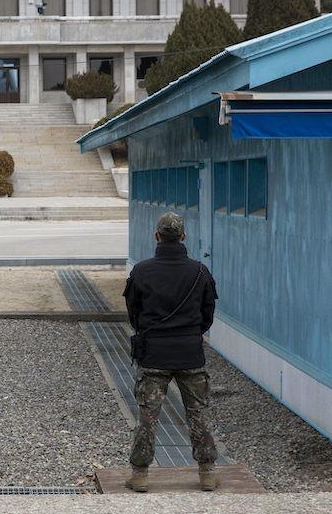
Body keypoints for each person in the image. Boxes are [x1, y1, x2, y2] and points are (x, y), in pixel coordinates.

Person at [123, 211, 220, 492]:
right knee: (198, 413)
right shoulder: (200, 271)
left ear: (156, 237)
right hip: (190, 352)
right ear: (183, 237)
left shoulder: (141, 271)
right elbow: (207, 315)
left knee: (148, 415)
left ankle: (140, 474)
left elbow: (134, 314)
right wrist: (189, 333)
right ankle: (207, 472)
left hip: (153, 354)